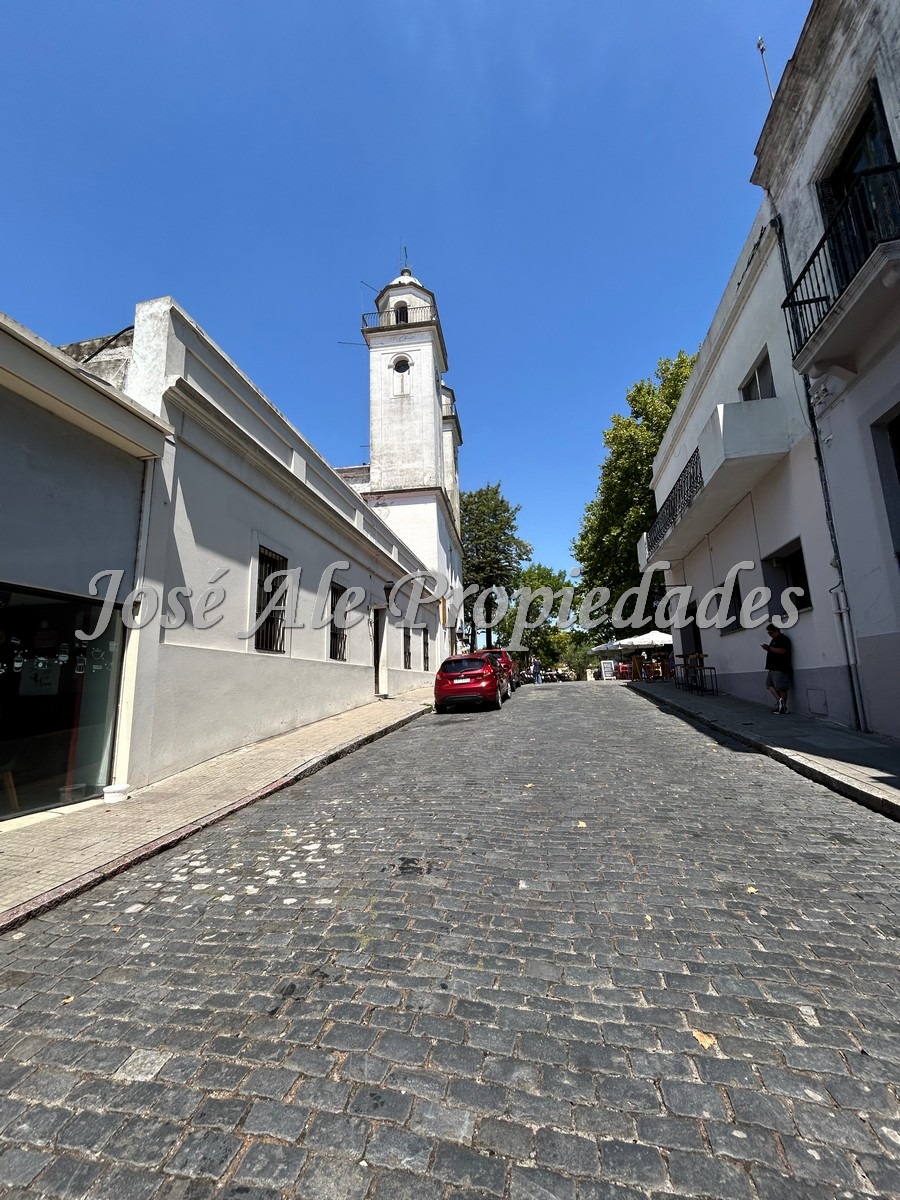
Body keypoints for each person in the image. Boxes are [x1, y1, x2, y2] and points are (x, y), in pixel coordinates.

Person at [761, 622, 792, 713]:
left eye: (771, 633)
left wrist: (769, 648)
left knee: (781, 688)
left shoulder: (783, 639)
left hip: (780, 667)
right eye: (768, 633)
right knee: (769, 685)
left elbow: (782, 651)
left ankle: (783, 707)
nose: (770, 635)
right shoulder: (774, 640)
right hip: (772, 668)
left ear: (776, 631)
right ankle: (780, 702)